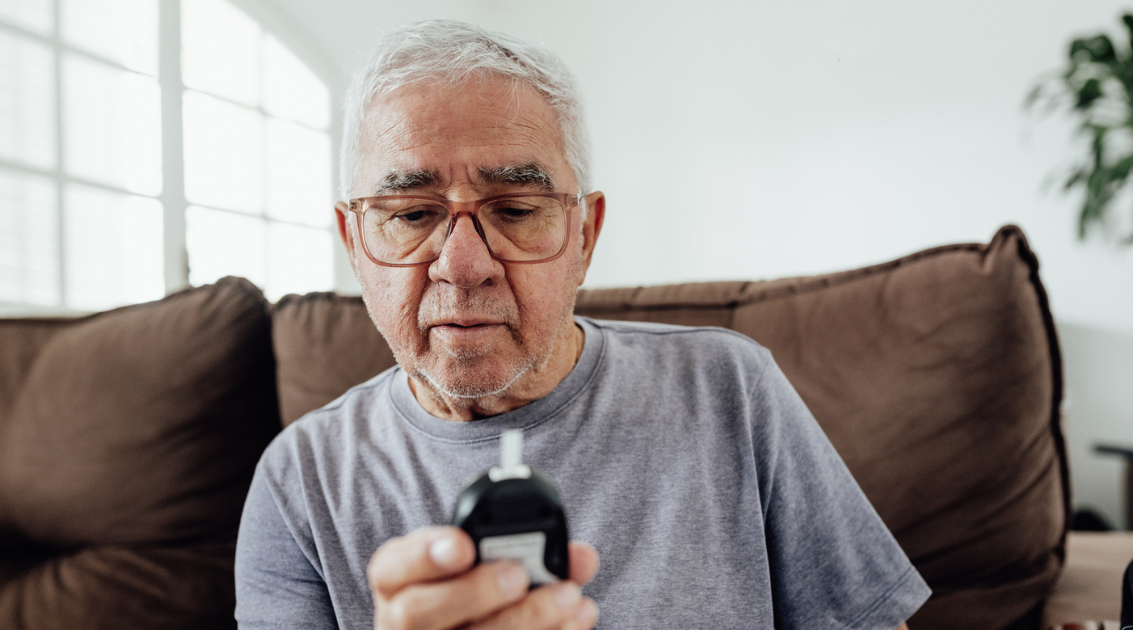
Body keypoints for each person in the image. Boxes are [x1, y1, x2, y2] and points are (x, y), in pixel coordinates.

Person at [235, 19, 931, 630]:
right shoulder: (300, 479)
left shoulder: (733, 391)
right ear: (355, 243)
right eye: (413, 215)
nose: (463, 265)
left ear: (584, 235)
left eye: (514, 209)